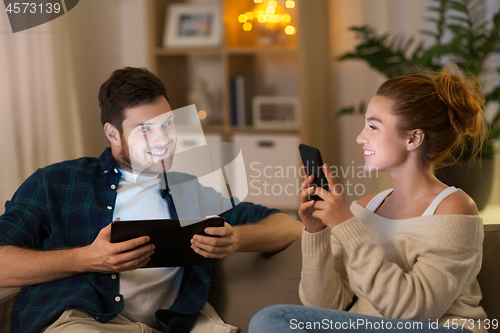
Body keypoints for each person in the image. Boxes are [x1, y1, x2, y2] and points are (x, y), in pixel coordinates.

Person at [0, 67, 303, 333]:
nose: (162, 140)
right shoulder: (58, 182)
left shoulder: (191, 190)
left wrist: (235, 238)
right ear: (113, 133)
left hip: (172, 325)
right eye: (144, 130)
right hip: (84, 322)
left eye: (168, 124)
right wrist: (86, 259)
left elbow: (288, 226)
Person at [249, 65, 489, 333]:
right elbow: (326, 308)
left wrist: (346, 226)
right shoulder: (364, 209)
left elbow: (412, 311)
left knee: (273, 320)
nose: (360, 137)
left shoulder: (454, 208)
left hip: (439, 328)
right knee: (274, 321)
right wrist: (316, 232)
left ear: (413, 138)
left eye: (373, 127)